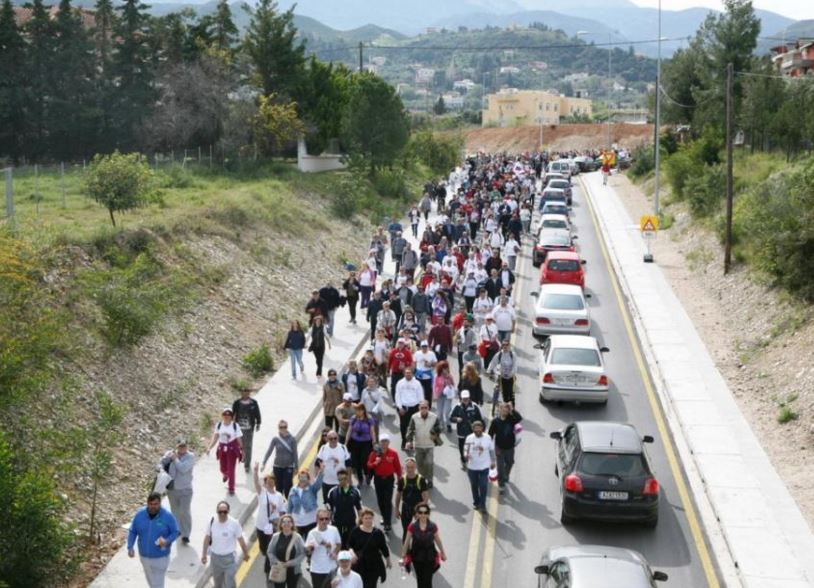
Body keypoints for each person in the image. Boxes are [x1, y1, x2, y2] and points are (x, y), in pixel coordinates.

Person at [127, 492, 179, 588]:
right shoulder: (139, 515)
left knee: (157, 584)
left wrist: (166, 541)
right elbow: (133, 531)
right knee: (151, 582)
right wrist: (130, 547)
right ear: (147, 503)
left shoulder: (168, 516)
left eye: (156, 504)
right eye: (151, 504)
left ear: (160, 503)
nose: (153, 507)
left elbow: (176, 532)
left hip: (161, 557)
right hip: (144, 557)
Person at [201, 501, 250, 588]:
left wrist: (246, 553)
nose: (222, 514)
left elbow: (241, 540)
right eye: (220, 512)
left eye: (225, 512)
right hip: (215, 559)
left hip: (230, 559)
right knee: (218, 584)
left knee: (230, 583)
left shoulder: (234, 523)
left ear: (228, 511)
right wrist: (204, 555)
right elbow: (207, 539)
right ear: (217, 512)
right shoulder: (211, 522)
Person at [401, 503, 447, 588]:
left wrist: (443, 553)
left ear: (428, 514)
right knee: (420, 580)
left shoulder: (433, 526)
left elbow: (438, 540)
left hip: (429, 557)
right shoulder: (412, 526)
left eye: (425, 512)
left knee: (427, 581)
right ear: (417, 514)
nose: (423, 515)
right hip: (417, 558)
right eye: (420, 512)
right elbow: (407, 541)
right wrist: (403, 555)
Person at [253, 464, 287, 576]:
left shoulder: (278, 496)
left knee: (270, 548)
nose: (271, 484)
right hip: (261, 525)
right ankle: (267, 558)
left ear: (275, 483)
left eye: (272, 482)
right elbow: (256, 483)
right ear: (266, 483)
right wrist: (255, 471)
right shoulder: (262, 493)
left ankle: (268, 569)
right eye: (268, 482)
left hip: (273, 526)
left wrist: (280, 523)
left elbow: (282, 511)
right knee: (263, 548)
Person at [366, 434, 401, 532]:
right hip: (378, 479)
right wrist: (375, 463)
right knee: (380, 501)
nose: (384, 443)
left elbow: (397, 467)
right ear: (379, 442)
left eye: (386, 441)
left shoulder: (393, 453)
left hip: (389, 479)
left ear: (389, 442)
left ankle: (387, 523)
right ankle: (384, 517)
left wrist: (399, 477)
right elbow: (368, 465)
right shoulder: (374, 453)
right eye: (382, 441)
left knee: (387, 501)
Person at [349, 508, 391, 588]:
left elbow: (383, 547)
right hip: (360, 564)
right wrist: (352, 553)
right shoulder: (356, 531)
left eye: (370, 518)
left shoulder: (378, 533)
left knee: (371, 585)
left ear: (373, 519)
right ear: (361, 519)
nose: (368, 520)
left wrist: (388, 561)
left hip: (373, 564)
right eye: (366, 518)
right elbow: (350, 544)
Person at [206, 407, 243, 496]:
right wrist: (209, 447)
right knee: (222, 468)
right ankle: (225, 474)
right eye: (225, 414)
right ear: (222, 416)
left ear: (232, 416)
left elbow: (238, 438)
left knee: (231, 469)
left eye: (229, 414)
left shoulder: (235, 425)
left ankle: (231, 488)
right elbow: (215, 437)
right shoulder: (219, 425)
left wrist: (242, 449)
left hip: (232, 448)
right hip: (222, 447)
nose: (227, 416)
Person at [488, 402, 523, 495]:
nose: (504, 411)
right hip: (499, 448)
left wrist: (512, 409)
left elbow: (519, 418)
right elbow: (490, 434)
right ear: (499, 409)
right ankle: (501, 485)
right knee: (500, 468)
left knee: (510, 462)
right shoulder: (495, 421)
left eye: (506, 410)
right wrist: (488, 446)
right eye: (503, 409)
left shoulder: (511, 419)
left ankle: (506, 475)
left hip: (510, 447)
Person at [406, 401, 442, 489]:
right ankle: (422, 480)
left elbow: (440, 427)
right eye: (422, 408)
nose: (424, 409)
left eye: (425, 407)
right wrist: (409, 441)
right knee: (420, 464)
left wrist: (435, 433)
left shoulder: (434, 417)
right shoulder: (414, 417)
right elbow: (410, 429)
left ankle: (429, 480)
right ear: (419, 408)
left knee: (429, 463)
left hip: (430, 445)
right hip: (418, 445)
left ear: (428, 408)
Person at [166, 439, 195, 544]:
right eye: (180, 446)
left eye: (184, 446)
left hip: (185, 490)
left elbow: (183, 468)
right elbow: (163, 466)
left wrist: (175, 460)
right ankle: (178, 530)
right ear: (177, 446)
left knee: (185, 512)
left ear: (187, 446)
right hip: (172, 490)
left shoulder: (190, 457)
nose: (182, 448)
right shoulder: (170, 455)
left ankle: (186, 535)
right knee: (175, 512)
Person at [267, 514, 307, 588]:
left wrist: (291, 563)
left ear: (292, 524)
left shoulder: (298, 537)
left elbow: (303, 553)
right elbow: (270, 551)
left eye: (289, 522)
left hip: (293, 570)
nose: (286, 524)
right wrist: (277, 562)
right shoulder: (275, 537)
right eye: (284, 522)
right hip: (279, 568)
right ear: (281, 524)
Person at [262, 420, 299, 498]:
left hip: (288, 466)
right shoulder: (275, 439)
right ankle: (280, 505)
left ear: (287, 427)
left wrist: (296, 467)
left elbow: (295, 454)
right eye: (281, 427)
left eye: (285, 427)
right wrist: (264, 463)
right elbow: (269, 451)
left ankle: (289, 504)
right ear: (278, 428)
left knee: (287, 486)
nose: (283, 429)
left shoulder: (292, 439)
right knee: (278, 487)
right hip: (277, 466)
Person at [306, 508, 342, 588]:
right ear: (317, 519)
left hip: (332, 569)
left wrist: (335, 552)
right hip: (317, 570)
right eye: (321, 519)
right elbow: (307, 552)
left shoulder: (334, 530)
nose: (324, 521)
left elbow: (339, 543)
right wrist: (311, 547)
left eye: (326, 519)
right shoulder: (312, 533)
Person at [326, 469, 363, 549]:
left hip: (351, 523)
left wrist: (360, 522)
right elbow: (329, 510)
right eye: (340, 479)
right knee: (339, 545)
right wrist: (327, 523)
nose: (342, 481)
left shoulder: (355, 491)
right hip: (337, 523)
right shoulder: (332, 492)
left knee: (351, 545)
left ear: (348, 478)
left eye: (344, 479)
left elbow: (359, 509)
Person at [464, 421, 496, 511]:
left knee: (483, 486)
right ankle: (476, 502)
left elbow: (491, 450)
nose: (478, 430)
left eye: (479, 428)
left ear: (482, 428)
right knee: (474, 485)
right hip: (472, 467)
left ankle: (483, 505)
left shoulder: (487, 437)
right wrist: (466, 456)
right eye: (476, 428)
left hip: (484, 466)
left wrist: (493, 461)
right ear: (473, 429)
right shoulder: (469, 438)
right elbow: (466, 451)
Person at [449, 390, 485, 466]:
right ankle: (463, 460)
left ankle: (472, 460)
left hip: (473, 432)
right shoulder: (457, 407)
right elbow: (450, 417)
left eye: (467, 398)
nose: (465, 400)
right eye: (463, 398)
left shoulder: (475, 406)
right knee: (462, 448)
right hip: (461, 432)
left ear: (469, 398)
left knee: (473, 447)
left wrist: (482, 431)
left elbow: (481, 419)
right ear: (461, 398)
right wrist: (456, 419)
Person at [345, 403, 378, 487]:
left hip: (366, 443)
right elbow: (349, 430)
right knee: (356, 462)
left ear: (363, 410)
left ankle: (367, 475)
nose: (357, 412)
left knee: (364, 460)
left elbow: (372, 431)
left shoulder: (369, 419)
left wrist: (374, 442)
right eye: (356, 410)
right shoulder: (354, 418)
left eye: (359, 410)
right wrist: (346, 442)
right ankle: (360, 479)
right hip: (355, 442)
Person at [289, 465, 324, 537]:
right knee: (298, 544)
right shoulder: (293, 490)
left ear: (308, 479)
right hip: (297, 522)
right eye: (301, 477)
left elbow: (318, 483)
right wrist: (288, 519)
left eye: (305, 477)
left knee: (311, 544)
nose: (302, 479)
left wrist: (321, 471)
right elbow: (290, 506)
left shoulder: (311, 488)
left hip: (311, 521)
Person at [232, 387, 262, 474]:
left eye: (247, 391)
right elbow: (233, 414)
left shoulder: (254, 403)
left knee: (248, 446)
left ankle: (247, 465)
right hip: (238, 429)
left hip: (249, 428)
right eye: (244, 391)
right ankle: (243, 457)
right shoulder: (237, 403)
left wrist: (258, 423)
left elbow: (257, 413)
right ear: (241, 393)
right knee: (240, 446)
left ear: (249, 393)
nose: (246, 393)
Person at [316, 430, 351, 503]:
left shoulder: (343, 447)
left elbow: (348, 464)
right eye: (331, 439)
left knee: (342, 503)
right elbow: (317, 463)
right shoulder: (323, 448)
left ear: (337, 438)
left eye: (335, 438)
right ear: (327, 439)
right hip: (327, 482)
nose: (333, 440)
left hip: (341, 482)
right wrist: (317, 478)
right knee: (328, 503)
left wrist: (349, 479)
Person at [394, 368, 423, 450]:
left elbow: (420, 395)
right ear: (404, 373)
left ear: (412, 374)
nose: (408, 374)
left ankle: (411, 442)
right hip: (404, 408)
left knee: (413, 426)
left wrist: (421, 407)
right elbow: (397, 395)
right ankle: (404, 441)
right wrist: (400, 408)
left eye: (409, 373)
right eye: (406, 373)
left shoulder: (417, 383)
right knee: (403, 426)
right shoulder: (400, 383)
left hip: (414, 407)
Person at [487, 340, 517, 406]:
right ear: (502, 346)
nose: (505, 346)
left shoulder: (512, 355)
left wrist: (512, 373)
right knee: (500, 391)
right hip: (501, 376)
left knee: (510, 394)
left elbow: (515, 366)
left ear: (509, 346)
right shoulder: (499, 354)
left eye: (507, 345)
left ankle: (512, 409)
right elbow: (493, 362)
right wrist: (489, 370)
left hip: (510, 377)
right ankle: (496, 400)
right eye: (504, 345)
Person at [432, 361, 456, 432]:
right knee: (439, 413)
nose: (445, 369)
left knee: (446, 411)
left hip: (447, 396)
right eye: (444, 368)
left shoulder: (449, 376)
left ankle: (448, 424)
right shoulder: (437, 376)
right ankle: (441, 424)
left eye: (446, 368)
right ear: (440, 368)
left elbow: (453, 385)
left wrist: (448, 382)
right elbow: (434, 386)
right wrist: (435, 395)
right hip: (439, 395)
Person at [413, 340, 437, 408]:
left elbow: (435, 363)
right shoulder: (417, 353)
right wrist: (413, 372)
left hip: (428, 375)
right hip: (419, 375)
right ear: (420, 347)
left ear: (428, 347)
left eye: (425, 347)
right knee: (418, 391)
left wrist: (430, 364)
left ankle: (428, 407)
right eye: (423, 347)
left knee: (428, 393)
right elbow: (414, 363)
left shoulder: (431, 353)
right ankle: (418, 406)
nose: (424, 348)